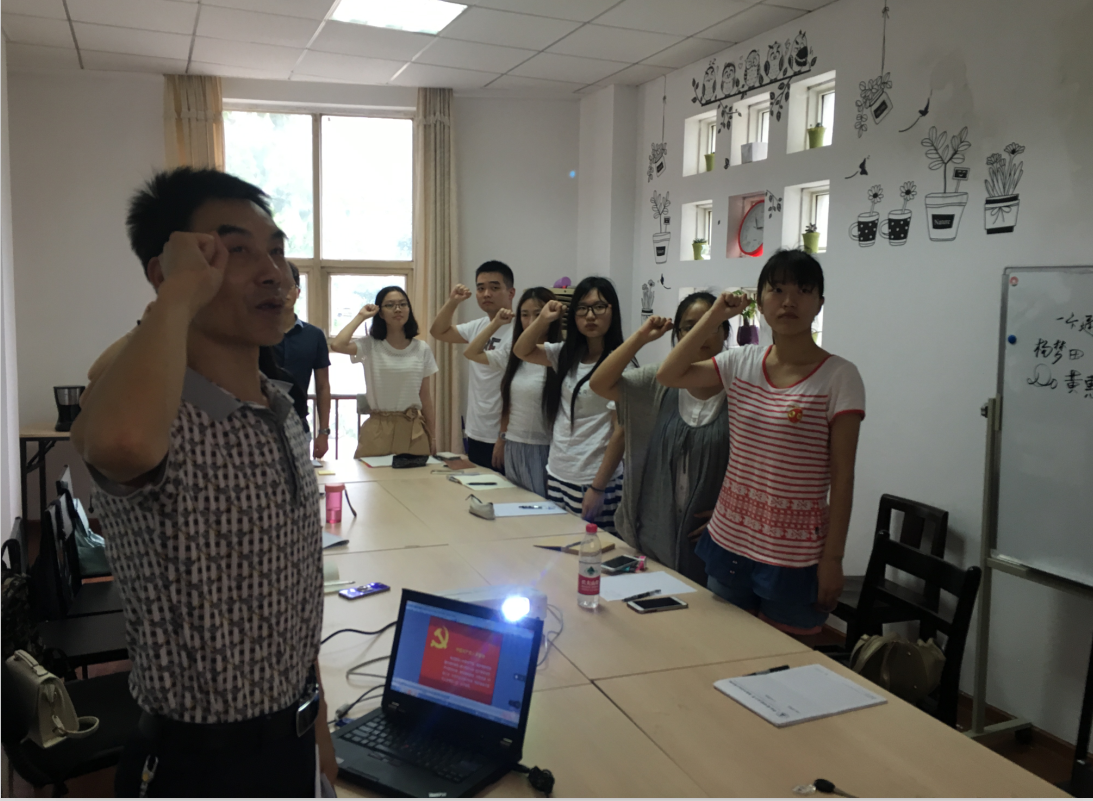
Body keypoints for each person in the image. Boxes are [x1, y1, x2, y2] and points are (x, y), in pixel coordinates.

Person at [70, 167, 335, 796]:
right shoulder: (157, 418)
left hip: (292, 740)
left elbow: (291, 595)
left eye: (276, 250)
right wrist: (176, 297)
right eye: (235, 251)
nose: (273, 272)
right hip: (199, 766)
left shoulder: (278, 406)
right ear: (172, 272)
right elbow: (119, 442)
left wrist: (319, 738)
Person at [656, 250, 865, 638]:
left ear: (819, 303)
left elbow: (843, 477)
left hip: (796, 555)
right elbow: (670, 375)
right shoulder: (741, 362)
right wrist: (714, 316)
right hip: (730, 540)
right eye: (778, 290)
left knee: (786, 664)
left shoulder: (839, 377)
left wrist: (833, 559)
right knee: (724, 652)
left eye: (803, 291)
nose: (789, 301)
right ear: (761, 301)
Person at [589, 292, 731, 584]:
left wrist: (732, 514)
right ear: (677, 335)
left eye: (710, 324)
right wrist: (641, 337)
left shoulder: (741, 384)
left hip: (716, 540)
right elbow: (600, 383)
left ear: (725, 332)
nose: (700, 333)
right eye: (690, 327)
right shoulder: (659, 381)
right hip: (654, 533)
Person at [514, 276, 626, 532]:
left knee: (593, 551)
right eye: (582, 308)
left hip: (594, 479)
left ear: (613, 311)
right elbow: (521, 350)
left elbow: (620, 432)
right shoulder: (566, 354)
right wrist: (543, 318)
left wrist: (598, 487)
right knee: (561, 547)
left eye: (599, 307)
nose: (590, 316)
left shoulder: (620, 362)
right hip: (559, 472)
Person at [464, 288, 562, 496]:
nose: (531, 321)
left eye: (538, 314)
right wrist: (496, 324)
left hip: (546, 447)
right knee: (515, 503)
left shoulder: (559, 354)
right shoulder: (514, 354)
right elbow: (471, 352)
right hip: (514, 444)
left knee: (542, 507)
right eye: (525, 315)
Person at [330, 286, 438, 457]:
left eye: (403, 304)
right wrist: (361, 316)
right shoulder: (370, 345)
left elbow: (425, 397)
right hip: (378, 426)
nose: (397, 309)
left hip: (412, 428)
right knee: (372, 474)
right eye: (390, 305)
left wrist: (432, 436)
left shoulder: (422, 349)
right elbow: (337, 345)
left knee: (416, 474)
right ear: (380, 313)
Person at [430, 261, 516, 470]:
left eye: (494, 287)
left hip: (507, 435)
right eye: (480, 288)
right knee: (479, 488)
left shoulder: (520, 330)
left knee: (507, 489)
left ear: (511, 292)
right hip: (477, 430)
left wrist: (503, 435)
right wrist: (453, 302)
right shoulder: (478, 326)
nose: (486, 294)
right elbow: (438, 331)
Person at [271, 262, 332, 458]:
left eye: (289, 286)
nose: (284, 293)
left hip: (298, 424)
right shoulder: (255, 334)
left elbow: (322, 386)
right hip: (260, 424)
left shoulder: (314, 335)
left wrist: (323, 432)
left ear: (298, 292)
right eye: (278, 286)